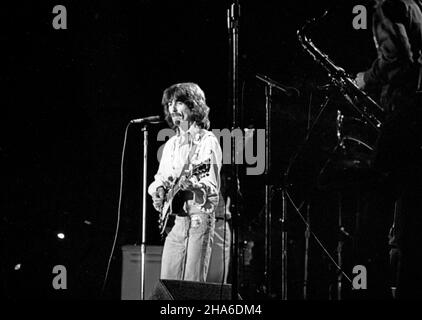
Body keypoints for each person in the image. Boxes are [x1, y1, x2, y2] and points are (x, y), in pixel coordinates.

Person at [354, 0, 422, 298]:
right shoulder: (414, 7)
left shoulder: (388, 8)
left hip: (403, 112)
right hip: (417, 115)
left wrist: (365, 79)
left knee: (374, 206)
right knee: (411, 211)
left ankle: (373, 290)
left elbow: (398, 55)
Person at [148, 82, 222, 282]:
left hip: (199, 216)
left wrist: (194, 185)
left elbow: (210, 183)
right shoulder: (171, 144)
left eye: (179, 102)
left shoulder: (207, 141)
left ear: (194, 106)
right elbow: (159, 178)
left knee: (192, 283)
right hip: (176, 220)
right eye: (170, 103)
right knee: (168, 281)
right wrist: (159, 191)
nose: (172, 108)